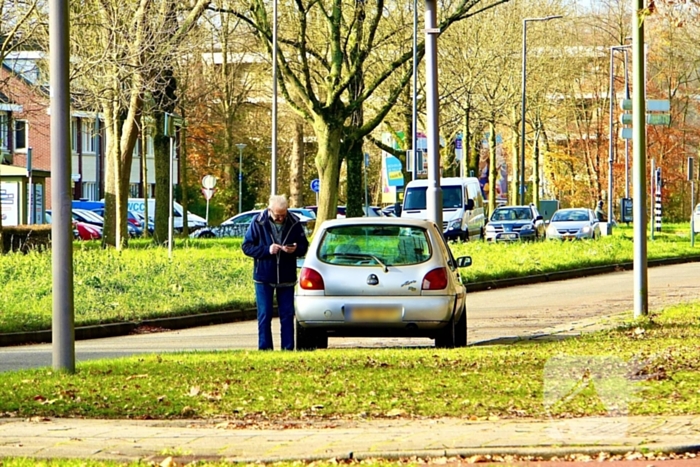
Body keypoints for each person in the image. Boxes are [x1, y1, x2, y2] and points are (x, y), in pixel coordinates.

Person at [242, 195, 309, 350]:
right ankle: (265, 348)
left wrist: (294, 249)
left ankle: (288, 348)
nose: (280, 218)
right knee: (264, 315)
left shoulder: (294, 222)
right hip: (264, 276)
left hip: (286, 276)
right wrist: (267, 250)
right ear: (269, 210)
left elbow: (304, 246)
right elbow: (247, 246)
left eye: (283, 215)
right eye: (277, 215)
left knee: (287, 315)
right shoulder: (258, 222)